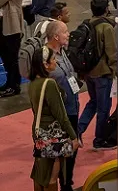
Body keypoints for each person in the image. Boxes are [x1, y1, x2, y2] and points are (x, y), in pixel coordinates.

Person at [28, 46, 79, 191]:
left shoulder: (33, 83)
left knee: (40, 173)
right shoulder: (49, 84)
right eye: (53, 59)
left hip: (39, 131)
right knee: (51, 176)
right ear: (45, 64)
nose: (56, 62)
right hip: (52, 133)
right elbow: (61, 115)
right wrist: (73, 137)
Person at [77, 0, 117, 150]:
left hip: (89, 72)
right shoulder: (106, 27)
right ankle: (100, 140)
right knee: (104, 108)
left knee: (93, 102)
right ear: (106, 9)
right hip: (103, 73)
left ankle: (78, 130)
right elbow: (112, 53)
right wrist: (116, 72)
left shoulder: (87, 24)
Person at [44, 20, 80, 191]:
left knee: (71, 150)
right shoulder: (46, 57)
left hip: (72, 107)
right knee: (62, 152)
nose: (68, 34)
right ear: (56, 36)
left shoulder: (62, 51)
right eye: (65, 32)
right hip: (59, 114)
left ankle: (67, 183)